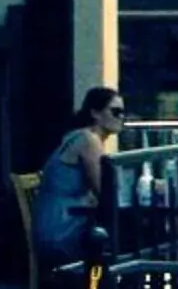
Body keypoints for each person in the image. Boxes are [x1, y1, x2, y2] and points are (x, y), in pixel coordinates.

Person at [31, 87, 126, 266]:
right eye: (115, 111)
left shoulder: (77, 136)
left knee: (124, 238)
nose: (121, 117)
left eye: (123, 112)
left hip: (56, 227)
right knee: (131, 238)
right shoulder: (89, 140)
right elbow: (105, 191)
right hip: (61, 233)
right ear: (95, 113)